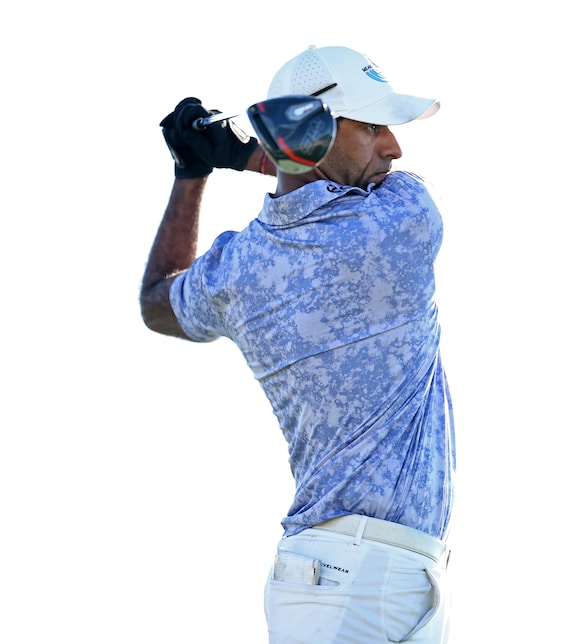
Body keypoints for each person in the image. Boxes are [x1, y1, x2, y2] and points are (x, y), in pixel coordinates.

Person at [140, 45, 456, 644]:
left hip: (360, 578)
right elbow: (347, 184)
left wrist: (192, 172)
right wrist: (248, 156)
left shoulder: (238, 270)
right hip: (350, 578)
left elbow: (159, 300)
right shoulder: (401, 220)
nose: (393, 146)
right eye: (370, 127)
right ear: (306, 132)